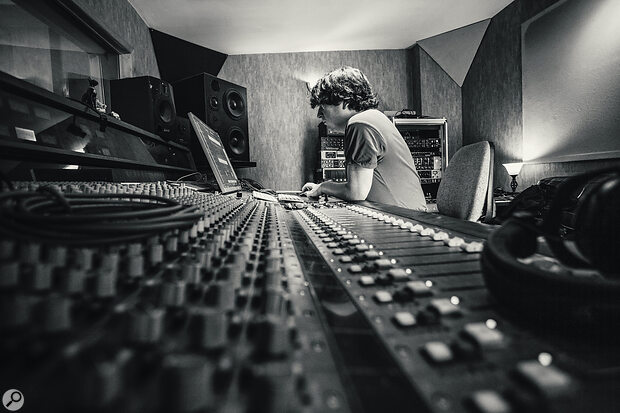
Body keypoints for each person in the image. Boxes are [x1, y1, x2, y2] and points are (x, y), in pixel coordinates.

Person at [302, 66, 427, 211]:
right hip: (406, 216)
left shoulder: (360, 123)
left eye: (323, 106)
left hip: (405, 221)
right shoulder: (373, 117)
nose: (319, 115)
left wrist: (323, 187)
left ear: (345, 101)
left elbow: (356, 193)